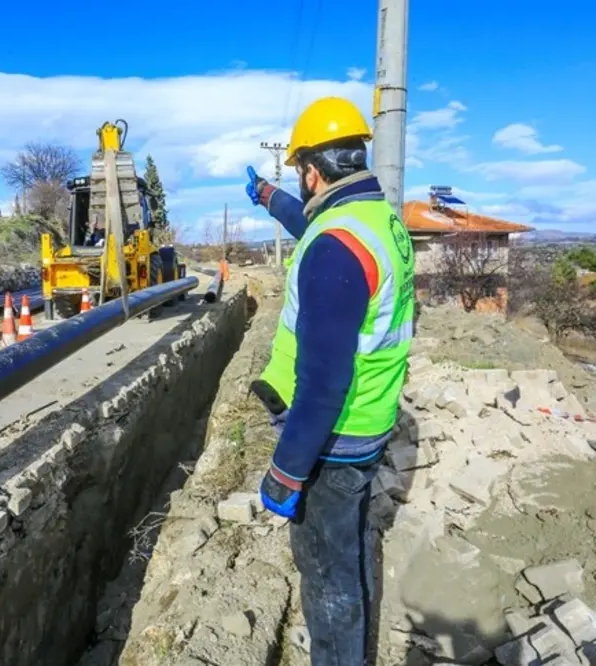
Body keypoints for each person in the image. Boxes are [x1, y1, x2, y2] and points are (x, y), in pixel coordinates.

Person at [245, 96, 415, 666]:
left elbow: (321, 384)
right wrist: (271, 199)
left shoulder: (334, 248)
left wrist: (285, 472)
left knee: (326, 570)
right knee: (350, 547)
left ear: (313, 170)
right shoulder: (378, 221)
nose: (301, 184)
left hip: (333, 439)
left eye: (299, 175)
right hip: (372, 419)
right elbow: (313, 222)